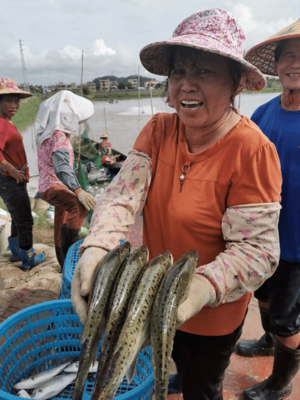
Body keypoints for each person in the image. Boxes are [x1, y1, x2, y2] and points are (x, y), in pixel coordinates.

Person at [71, 9, 282, 399]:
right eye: (179, 72)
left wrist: (203, 286)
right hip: (153, 299)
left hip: (213, 314)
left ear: (235, 84)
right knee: (174, 362)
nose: (187, 85)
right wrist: (97, 242)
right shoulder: (157, 130)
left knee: (204, 384)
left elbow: (259, 249)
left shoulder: (252, 150)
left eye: (205, 73)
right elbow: (122, 195)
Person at [236, 20, 300, 400]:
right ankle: (267, 340)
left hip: (296, 237)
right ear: (275, 66)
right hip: (262, 233)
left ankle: (281, 381)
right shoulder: (261, 115)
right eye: (288, 57)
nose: (296, 64)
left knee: (286, 316)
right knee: (261, 293)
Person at [36, 90, 97, 268]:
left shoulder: (48, 134)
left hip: (50, 184)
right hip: (53, 185)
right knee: (77, 206)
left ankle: (63, 261)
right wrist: (79, 191)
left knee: (61, 218)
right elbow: (61, 167)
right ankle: (72, 255)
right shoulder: (59, 137)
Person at [0, 78, 45, 269]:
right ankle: (28, 259)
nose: (14, 105)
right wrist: (11, 169)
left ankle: (17, 253)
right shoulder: (1, 124)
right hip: (9, 179)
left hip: (11, 179)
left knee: (17, 217)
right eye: (8, 100)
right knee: (25, 219)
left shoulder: (7, 123)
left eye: (16, 100)